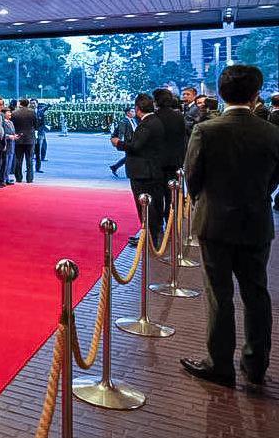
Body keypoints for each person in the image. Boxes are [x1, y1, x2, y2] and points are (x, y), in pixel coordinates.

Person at [181, 65, 279, 389]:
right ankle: (256, 364)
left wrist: (205, 199)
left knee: (219, 295)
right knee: (257, 293)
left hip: (215, 223)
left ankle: (220, 364)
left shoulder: (206, 131)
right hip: (256, 223)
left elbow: (192, 177)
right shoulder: (272, 132)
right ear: (256, 95)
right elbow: (274, 179)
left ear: (221, 94)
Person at [116, 93, 166, 247]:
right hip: (152, 169)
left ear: (138, 109)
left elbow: (135, 146)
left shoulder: (146, 124)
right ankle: (152, 235)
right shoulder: (156, 121)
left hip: (143, 172)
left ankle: (149, 238)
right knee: (153, 205)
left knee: (145, 207)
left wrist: (118, 143)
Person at [153, 88, 187, 218]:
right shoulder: (179, 116)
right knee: (172, 194)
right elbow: (183, 138)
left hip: (157, 162)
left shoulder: (154, 117)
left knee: (157, 194)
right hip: (175, 161)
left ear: (156, 101)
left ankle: (159, 221)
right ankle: (171, 220)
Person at [11, 99, 37, 183]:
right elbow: (36, 124)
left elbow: (12, 125)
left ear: (20, 103)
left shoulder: (14, 113)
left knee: (18, 159)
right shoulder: (32, 112)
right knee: (29, 160)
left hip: (18, 138)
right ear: (28, 104)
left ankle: (18, 178)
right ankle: (29, 178)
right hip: (29, 138)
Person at [0, 107, 16, 185]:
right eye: (8, 112)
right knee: (4, 163)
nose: (10, 114)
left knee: (9, 163)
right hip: (5, 144)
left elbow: (12, 132)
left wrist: (15, 136)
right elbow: (1, 134)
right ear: (4, 114)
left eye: (10, 112)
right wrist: (9, 136)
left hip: (12, 145)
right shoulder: (2, 123)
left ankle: (7, 178)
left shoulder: (11, 122)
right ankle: (2, 179)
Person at [32, 98, 49, 172]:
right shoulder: (28, 112)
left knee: (38, 151)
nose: (33, 105)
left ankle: (38, 168)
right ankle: (29, 168)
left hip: (40, 133)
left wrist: (38, 130)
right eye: (31, 103)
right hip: (31, 133)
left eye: (34, 103)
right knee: (31, 152)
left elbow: (43, 123)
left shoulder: (41, 112)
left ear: (37, 104)